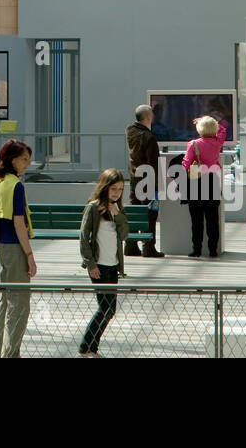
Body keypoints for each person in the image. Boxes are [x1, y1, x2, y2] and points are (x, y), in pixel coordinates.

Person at [78, 168, 129, 357]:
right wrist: (90, 263)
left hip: (112, 265)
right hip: (98, 266)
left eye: (120, 189)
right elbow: (84, 237)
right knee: (105, 307)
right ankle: (86, 348)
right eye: (113, 188)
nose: (116, 193)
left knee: (110, 309)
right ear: (104, 187)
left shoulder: (117, 210)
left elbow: (124, 234)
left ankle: (91, 347)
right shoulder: (93, 208)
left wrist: (118, 216)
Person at [0, 138, 35, 358]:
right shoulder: (16, 185)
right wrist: (29, 255)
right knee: (20, 305)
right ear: (12, 159)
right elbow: (19, 223)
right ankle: (10, 354)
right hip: (16, 247)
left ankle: (2, 351)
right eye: (24, 159)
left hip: (2, 246)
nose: (28, 164)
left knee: (6, 302)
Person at [181, 115, 226, 258]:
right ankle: (213, 250)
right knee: (212, 219)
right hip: (212, 181)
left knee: (196, 220)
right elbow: (223, 129)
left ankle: (197, 250)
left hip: (196, 181)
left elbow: (186, 164)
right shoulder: (218, 142)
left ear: (199, 129)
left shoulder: (193, 144)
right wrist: (212, 121)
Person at [125, 104, 164, 257]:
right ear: (147, 118)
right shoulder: (149, 137)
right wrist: (158, 187)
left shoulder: (130, 131)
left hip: (135, 178)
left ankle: (130, 246)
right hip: (148, 181)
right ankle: (149, 248)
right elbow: (154, 163)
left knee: (134, 213)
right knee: (150, 214)